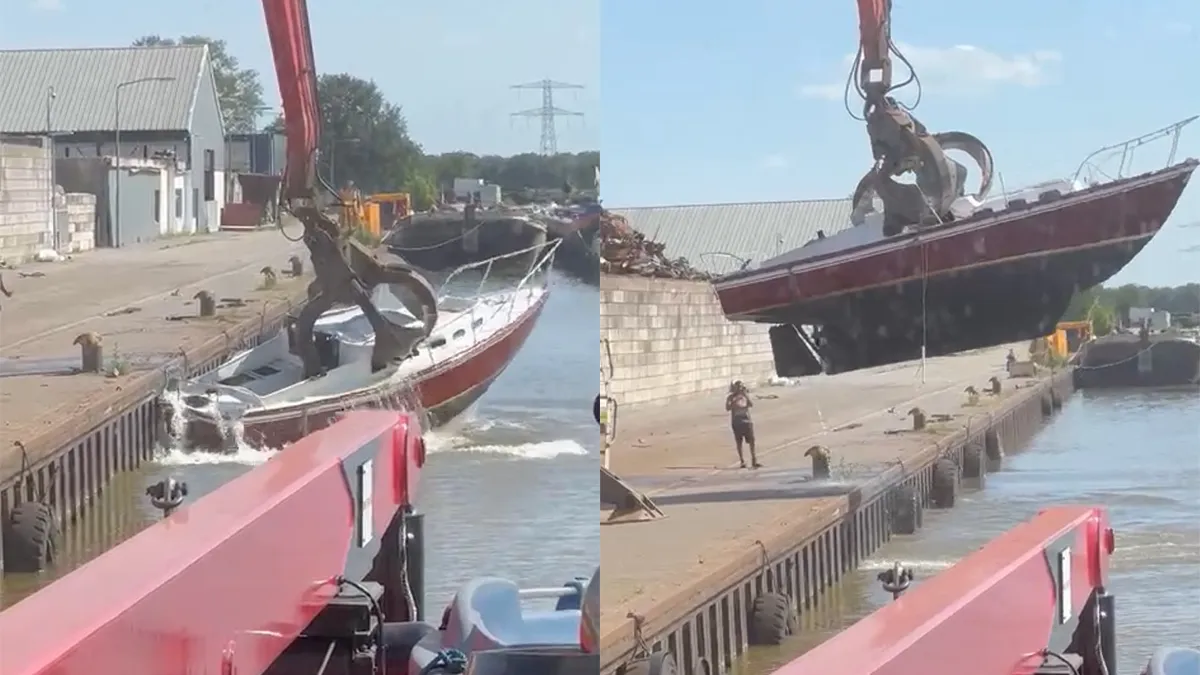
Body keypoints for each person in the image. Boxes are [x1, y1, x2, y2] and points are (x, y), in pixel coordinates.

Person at [725, 381, 760, 469]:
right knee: (739, 442)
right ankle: (742, 461)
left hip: (747, 420)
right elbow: (728, 408)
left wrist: (746, 396)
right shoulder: (731, 397)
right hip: (737, 422)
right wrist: (734, 401)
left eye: (741, 387)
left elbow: (751, 404)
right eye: (739, 387)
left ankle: (754, 459)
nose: (740, 389)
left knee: (752, 441)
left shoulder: (745, 396)